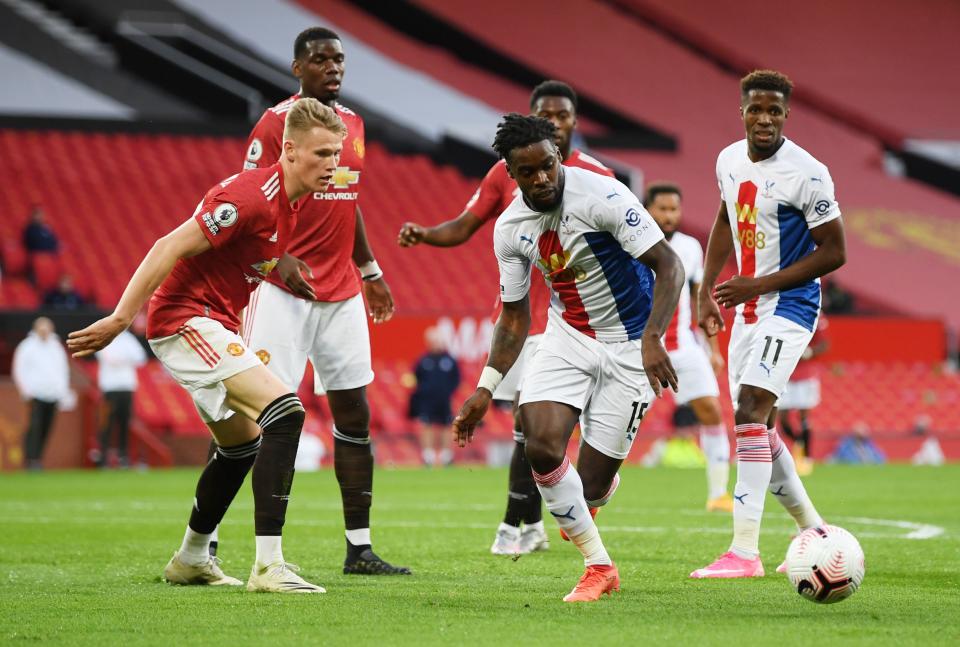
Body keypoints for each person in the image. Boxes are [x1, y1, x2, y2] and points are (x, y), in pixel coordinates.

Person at [67, 97, 346, 593]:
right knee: (286, 410)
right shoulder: (251, 197)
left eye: (336, 153)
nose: (333, 164)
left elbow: (251, 251)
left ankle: (192, 558)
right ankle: (268, 566)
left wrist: (284, 266)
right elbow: (167, 246)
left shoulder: (294, 201)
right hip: (184, 320)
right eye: (322, 153)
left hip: (217, 322)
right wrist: (119, 318)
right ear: (288, 150)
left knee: (240, 444)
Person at [453, 114, 684, 602]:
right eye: (527, 172)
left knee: (591, 489)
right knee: (539, 442)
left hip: (629, 344)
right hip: (568, 335)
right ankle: (599, 567)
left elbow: (669, 264)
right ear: (510, 176)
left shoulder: (602, 193)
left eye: (548, 166)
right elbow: (514, 318)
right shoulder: (510, 228)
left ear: (559, 157)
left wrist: (653, 338)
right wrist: (485, 388)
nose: (541, 179)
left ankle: (590, 498)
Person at [398, 81, 615, 556]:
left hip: (574, 321)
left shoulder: (597, 176)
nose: (554, 122)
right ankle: (526, 523)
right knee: (526, 423)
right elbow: (465, 224)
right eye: (545, 114)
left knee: (537, 423)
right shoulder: (508, 171)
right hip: (519, 317)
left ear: (574, 121)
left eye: (561, 115)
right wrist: (427, 235)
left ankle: (521, 521)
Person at [239, 26, 409, 576]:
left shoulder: (352, 124)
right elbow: (246, 202)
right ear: (297, 68)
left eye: (339, 59)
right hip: (283, 291)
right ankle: (238, 545)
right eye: (320, 59)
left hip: (341, 292)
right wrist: (273, 258)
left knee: (354, 414)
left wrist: (371, 268)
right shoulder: (274, 123)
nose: (332, 67)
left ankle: (359, 548)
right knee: (265, 417)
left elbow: (347, 199)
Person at [690, 70, 847, 579]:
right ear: (741, 111)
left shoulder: (808, 171)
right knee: (760, 423)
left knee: (750, 411)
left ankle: (744, 552)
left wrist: (755, 285)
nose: (764, 119)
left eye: (774, 111)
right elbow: (724, 217)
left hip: (792, 305)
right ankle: (814, 531)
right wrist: (706, 287)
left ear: (786, 115)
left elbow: (836, 251)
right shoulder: (728, 160)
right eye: (756, 109)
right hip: (748, 311)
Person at [644, 182, 732, 512]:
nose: (669, 215)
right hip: (640, 351)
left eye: (674, 209)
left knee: (712, 410)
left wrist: (713, 349)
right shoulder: (629, 241)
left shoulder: (691, 247)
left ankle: (718, 494)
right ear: (648, 209)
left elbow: (700, 298)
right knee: (619, 423)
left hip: (683, 347)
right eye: (662, 209)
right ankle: (594, 493)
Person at [12, 317, 70, 470]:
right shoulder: (27, 347)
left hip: (53, 394)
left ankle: (38, 458)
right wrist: (25, 392)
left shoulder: (56, 347)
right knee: (34, 427)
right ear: (36, 329)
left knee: (46, 428)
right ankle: (30, 459)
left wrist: (62, 391)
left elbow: (63, 370)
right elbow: (19, 369)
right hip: (35, 393)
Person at [778, 314, 830, 475]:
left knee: (804, 417)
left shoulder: (815, 314)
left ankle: (807, 459)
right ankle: (799, 443)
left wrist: (808, 352)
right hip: (785, 373)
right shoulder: (782, 312)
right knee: (782, 418)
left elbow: (824, 344)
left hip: (806, 375)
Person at [93, 329, 147, 468]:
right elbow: (107, 357)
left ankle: (123, 457)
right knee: (106, 424)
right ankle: (103, 457)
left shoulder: (128, 339)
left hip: (127, 386)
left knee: (124, 423)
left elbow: (141, 357)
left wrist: (122, 358)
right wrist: (125, 358)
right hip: (109, 387)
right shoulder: (104, 335)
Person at [410, 327, 461, 466]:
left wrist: (448, 391)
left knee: (446, 425)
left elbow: (456, 379)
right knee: (426, 424)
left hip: (444, 399)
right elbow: (415, 378)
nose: (436, 343)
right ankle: (428, 456)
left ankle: (446, 456)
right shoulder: (423, 360)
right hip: (427, 400)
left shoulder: (450, 360)